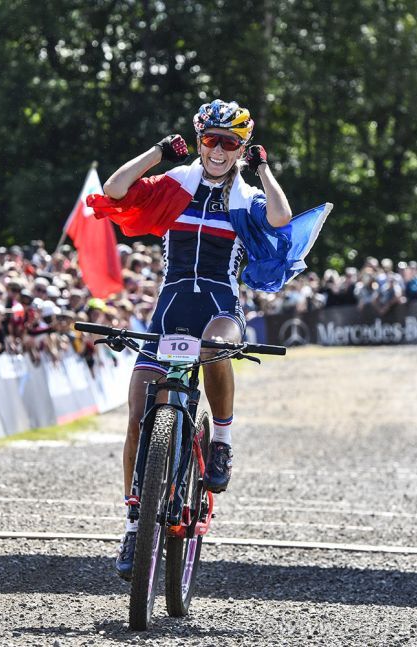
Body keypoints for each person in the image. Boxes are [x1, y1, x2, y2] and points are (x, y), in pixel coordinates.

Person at [88, 98, 327, 579]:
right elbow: (114, 190)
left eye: (230, 143)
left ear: (241, 149)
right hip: (169, 312)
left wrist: (264, 170)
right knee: (137, 413)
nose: (218, 150)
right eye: (211, 140)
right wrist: (159, 152)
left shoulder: (246, 199)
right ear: (199, 141)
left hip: (220, 310)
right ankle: (135, 522)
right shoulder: (176, 185)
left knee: (217, 347)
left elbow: (281, 220)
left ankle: (221, 440)